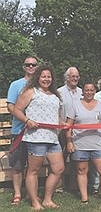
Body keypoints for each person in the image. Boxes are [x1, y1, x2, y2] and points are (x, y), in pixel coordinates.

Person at [13, 65, 65, 210]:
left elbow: (56, 116)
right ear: (38, 77)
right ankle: (35, 202)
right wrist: (27, 121)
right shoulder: (30, 92)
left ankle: (47, 199)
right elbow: (17, 109)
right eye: (43, 76)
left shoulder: (55, 95)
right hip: (36, 138)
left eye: (49, 76)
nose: (46, 79)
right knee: (33, 171)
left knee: (59, 169)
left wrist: (62, 123)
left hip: (53, 138)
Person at [66, 82, 101, 205]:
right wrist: (69, 141)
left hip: (98, 144)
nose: (89, 92)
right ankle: (84, 198)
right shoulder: (74, 105)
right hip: (80, 145)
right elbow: (68, 126)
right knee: (82, 171)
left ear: (95, 91)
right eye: (86, 90)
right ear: (83, 92)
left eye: (91, 90)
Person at [6, 56, 38, 206]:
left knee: (33, 166)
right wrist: (26, 120)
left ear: (37, 67)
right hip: (20, 131)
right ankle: (18, 193)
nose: (31, 66)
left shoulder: (41, 84)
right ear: (24, 67)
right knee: (18, 165)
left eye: (33, 64)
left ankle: (32, 193)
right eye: (28, 64)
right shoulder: (16, 85)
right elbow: (11, 107)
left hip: (37, 133)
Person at [57, 66, 82, 191]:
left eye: (77, 76)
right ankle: (59, 185)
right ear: (67, 78)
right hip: (62, 130)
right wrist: (61, 123)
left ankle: (74, 185)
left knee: (76, 158)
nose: (75, 78)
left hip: (78, 131)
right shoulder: (59, 92)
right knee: (60, 158)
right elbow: (56, 110)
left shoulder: (82, 92)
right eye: (73, 76)